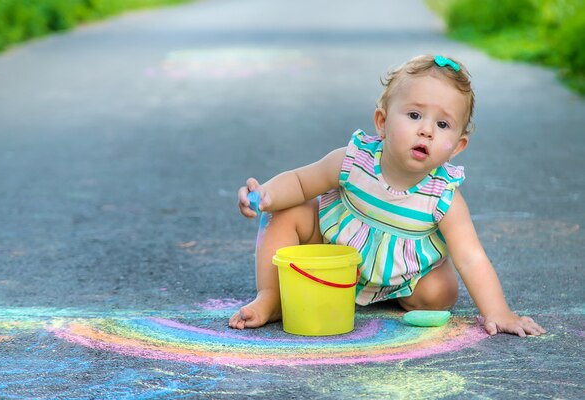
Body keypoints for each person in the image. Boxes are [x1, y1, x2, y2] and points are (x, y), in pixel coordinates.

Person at [229, 54, 546, 337]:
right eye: (414, 115)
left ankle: (395, 296)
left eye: (443, 124)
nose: (426, 131)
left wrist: (498, 312)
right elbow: (300, 182)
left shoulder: (443, 197)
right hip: (333, 253)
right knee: (287, 212)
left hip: (402, 277)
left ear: (457, 147)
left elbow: (471, 257)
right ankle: (272, 296)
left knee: (441, 292)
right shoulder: (354, 160)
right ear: (382, 122)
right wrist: (267, 195)